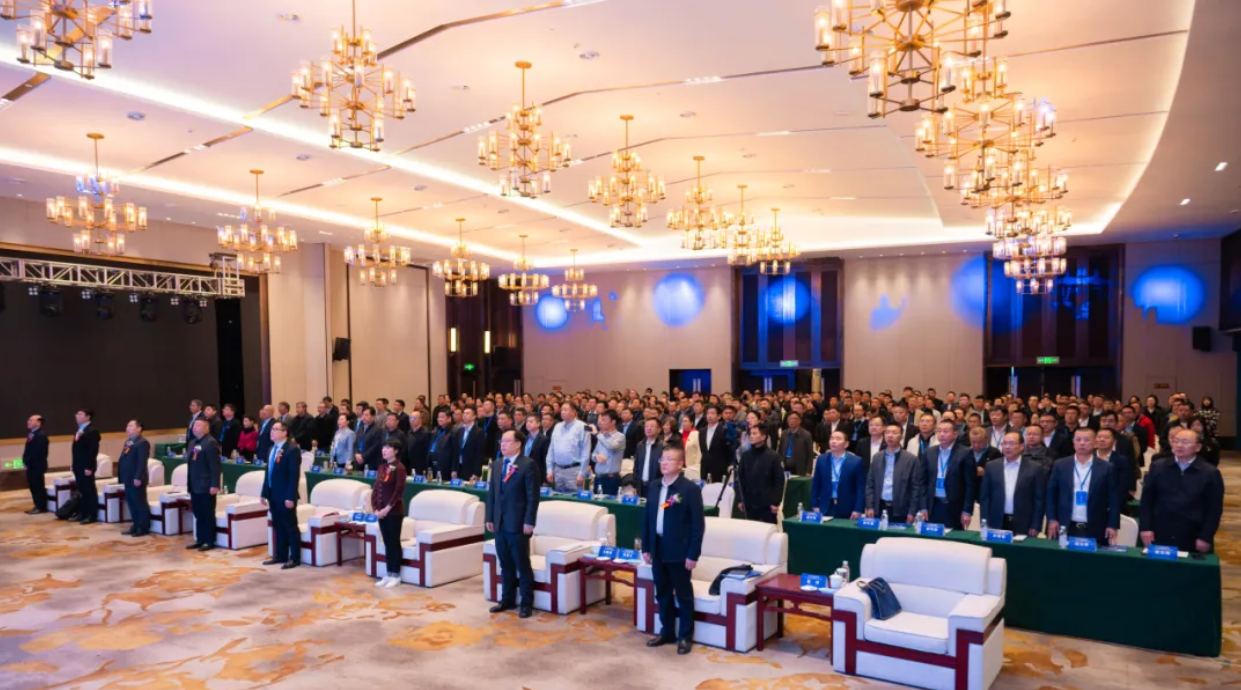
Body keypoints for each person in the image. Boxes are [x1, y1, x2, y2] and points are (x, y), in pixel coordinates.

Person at [641, 446, 705, 656]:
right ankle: (667, 631)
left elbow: (698, 525)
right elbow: (648, 518)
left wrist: (693, 554)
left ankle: (685, 636)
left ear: (680, 464)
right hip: (658, 547)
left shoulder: (689, 489)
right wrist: (646, 547)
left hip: (679, 550)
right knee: (662, 592)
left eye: (669, 459)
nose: (664, 463)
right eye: (662, 459)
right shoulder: (654, 486)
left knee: (683, 595)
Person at [1140, 428, 1224, 553]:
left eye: (1185, 442)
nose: (1179, 445)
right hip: (1160, 531)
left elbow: (1214, 509)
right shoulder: (1158, 467)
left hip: (1192, 534)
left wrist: (1205, 536)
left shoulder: (1210, 473)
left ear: (1198, 447)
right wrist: (1145, 528)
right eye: (1176, 441)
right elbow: (1146, 500)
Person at [487, 430, 540, 618]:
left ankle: (526, 604)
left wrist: (529, 521)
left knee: (522, 564)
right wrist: (490, 517)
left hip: (518, 523)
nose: (503, 444)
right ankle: (507, 599)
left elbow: (533, 496)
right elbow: (492, 494)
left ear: (518, 444)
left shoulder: (528, 465)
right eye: (501, 441)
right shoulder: (497, 464)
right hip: (499, 522)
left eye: (507, 441)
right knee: (505, 564)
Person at [1046, 428, 1118, 544]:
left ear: (1095, 443)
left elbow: (1114, 499)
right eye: (1078, 439)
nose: (1082, 443)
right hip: (1064, 524)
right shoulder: (1060, 465)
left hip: (1096, 526)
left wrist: (1112, 525)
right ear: (1073, 442)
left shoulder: (1107, 468)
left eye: (1087, 440)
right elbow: (1051, 494)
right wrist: (1052, 519)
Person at [979, 432, 1045, 537]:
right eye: (1005, 443)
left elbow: (1039, 499)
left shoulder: (1035, 468)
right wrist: (984, 522)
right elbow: (985, 497)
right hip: (996, 521)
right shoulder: (991, 466)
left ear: (1022, 446)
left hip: (1024, 523)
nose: (1007, 447)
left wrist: (1036, 525)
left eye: (1012, 443)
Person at [261, 419, 303, 568]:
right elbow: (268, 473)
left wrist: (290, 496)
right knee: (278, 526)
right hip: (273, 493)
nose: (272, 432)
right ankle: (280, 555)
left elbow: (294, 476)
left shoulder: (292, 449)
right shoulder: (271, 449)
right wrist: (264, 493)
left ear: (284, 432)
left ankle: (294, 558)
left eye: (276, 429)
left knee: (290, 526)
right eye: (272, 429)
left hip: (286, 495)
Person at [917, 420, 975, 529]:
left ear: (955, 434)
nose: (942, 434)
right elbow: (922, 482)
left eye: (946, 431)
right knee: (931, 537)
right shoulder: (928, 453)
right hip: (933, 505)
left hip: (954, 507)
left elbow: (970, 485)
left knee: (952, 538)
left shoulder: (965, 453)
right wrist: (923, 507)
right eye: (939, 431)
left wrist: (967, 510)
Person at [864, 425, 922, 524]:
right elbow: (870, 484)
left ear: (901, 436)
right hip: (879, 507)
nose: (890, 435)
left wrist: (912, 512)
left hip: (901, 510)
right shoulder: (877, 457)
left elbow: (915, 488)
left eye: (894, 433)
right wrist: (869, 506)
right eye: (887, 433)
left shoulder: (911, 459)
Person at [371, 440, 408, 587]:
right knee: (386, 542)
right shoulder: (382, 467)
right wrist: (375, 508)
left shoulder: (400, 468)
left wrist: (386, 509)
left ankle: (396, 574)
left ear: (396, 450)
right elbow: (376, 489)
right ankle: (388, 573)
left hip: (393, 512)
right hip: (381, 511)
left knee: (393, 542)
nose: (384, 450)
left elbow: (398, 492)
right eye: (383, 447)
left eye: (388, 448)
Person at [810, 430, 865, 519]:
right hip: (825, 507)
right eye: (832, 438)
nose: (833, 441)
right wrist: (814, 505)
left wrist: (858, 509)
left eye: (838, 439)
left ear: (846, 444)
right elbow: (815, 484)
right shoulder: (821, 459)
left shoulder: (856, 461)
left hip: (848, 508)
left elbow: (860, 488)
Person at [185, 418, 222, 550]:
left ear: (207, 428)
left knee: (207, 513)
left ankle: (209, 540)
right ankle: (200, 539)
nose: (195, 427)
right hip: (194, 484)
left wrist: (214, 484)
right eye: (194, 425)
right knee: (198, 513)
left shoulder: (210, 443)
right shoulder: (192, 442)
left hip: (206, 484)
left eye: (198, 425)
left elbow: (215, 466)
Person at [736, 425, 784, 523]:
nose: (751, 436)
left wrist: (776, 502)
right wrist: (740, 499)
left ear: (763, 437)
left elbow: (779, 481)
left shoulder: (773, 456)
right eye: (751, 434)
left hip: (767, 505)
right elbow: (739, 479)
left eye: (755, 433)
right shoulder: (746, 456)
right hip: (749, 503)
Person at [117, 419, 151, 537]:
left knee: (139, 503)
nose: (128, 428)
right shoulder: (129, 441)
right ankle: (135, 525)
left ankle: (143, 527)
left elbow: (142, 462)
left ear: (139, 428)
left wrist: (138, 477)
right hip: (128, 478)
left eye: (131, 426)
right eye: (127, 426)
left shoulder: (142, 442)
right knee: (131, 503)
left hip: (136, 478)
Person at [546, 402, 591, 491]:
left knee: (574, 498)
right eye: (562, 410)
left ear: (574, 412)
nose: (562, 412)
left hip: (574, 471)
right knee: (558, 498)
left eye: (565, 410)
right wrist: (549, 470)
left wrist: (582, 473)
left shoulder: (584, 426)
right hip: (557, 470)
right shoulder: (557, 426)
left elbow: (586, 451)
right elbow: (551, 449)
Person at [70, 407, 101, 524]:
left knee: (89, 491)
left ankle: (91, 515)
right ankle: (82, 513)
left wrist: (89, 467)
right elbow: (77, 450)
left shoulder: (92, 431)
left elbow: (92, 451)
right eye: (77, 414)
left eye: (80, 414)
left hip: (86, 467)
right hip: (78, 466)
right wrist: (73, 464)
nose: (77, 416)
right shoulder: (80, 430)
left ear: (88, 417)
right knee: (81, 491)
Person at [592, 410, 626, 495]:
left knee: (609, 502)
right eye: (601, 420)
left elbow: (611, 447)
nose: (601, 422)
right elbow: (593, 454)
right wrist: (596, 457)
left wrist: (597, 434)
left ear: (613, 422)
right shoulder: (601, 436)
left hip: (611, 479)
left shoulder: (620, 437)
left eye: (604, 420)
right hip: (598, 477)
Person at [698, 405, 733, 483]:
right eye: (708, 413)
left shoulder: (724, 430)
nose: (710, 415)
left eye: (713, 413)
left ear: (719, 416)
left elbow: (728, 452)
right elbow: (703, 450)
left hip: (720, 468)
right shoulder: (702, 431)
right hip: (705, 467)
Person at [23, 414, 49, 515]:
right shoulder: (32, 434)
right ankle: (37, 505)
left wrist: (28, 462)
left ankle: (41, 507)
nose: (28, 422)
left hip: (37, 466)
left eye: (31, 420)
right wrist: (25, 462)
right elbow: (28, 450)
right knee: (33, 486)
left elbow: (38, 452)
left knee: (38, 486)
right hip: (31, 466)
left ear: (38, 423)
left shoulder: (41, 435)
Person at [777, 411, 815, 477]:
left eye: (794, 419)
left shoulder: (806, 435)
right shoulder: (784, 433)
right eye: (790, 419)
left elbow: (810, 455)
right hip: (785, 466)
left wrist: (808, 471)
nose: (791, 421)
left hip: (799, 468)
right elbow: (780, 451)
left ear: (800, 421)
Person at [632, 418, 664, 499]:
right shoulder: (640, 445)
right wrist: (635, 485)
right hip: (641, 486)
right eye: (646, 426)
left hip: (656, 487)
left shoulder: (664, 447)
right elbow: (636, 467)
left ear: (659, 429)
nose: (648, 428)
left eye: (652, 426)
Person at [452, 406, 485, 481]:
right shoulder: (460, 430)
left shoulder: (479, 432)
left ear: (474, 416)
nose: (464, 415)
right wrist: (454, 469)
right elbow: (456, 451)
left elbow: (479, 454)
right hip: (459, 467)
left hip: (471, 469)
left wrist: (476, 473)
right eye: (464, 413)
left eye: (467, 413)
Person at [428, 409, 456, 481]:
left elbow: (455, 453)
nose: (439, 419)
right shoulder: (436, 430)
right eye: (438, 417)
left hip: (446, 467)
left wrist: (454, 470)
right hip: (433, 465)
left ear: (449, 419)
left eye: (442, 417)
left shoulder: (453, 432)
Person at [353, 407, 383, 471]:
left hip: (371, 462)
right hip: (358, 460)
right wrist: (356, 454)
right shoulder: (360, 428)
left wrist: (363, 456)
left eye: (366, 415)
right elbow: (355, 443)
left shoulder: (378, 429)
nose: (364, 417)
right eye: (363, 415)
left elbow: (375, 446)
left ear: (373, 417)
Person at [521, 414, 550, 482]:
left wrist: (545, 479)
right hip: (525, 472)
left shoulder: (543, 439)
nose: (528, 423)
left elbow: (545, 461)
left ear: (538, 423)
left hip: (537, 474)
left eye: (531, 421)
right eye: (527, 421)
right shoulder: (526, 438)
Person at [405, 411, 432, 476]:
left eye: (414, 418)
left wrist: (425, 468)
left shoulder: (426, 433)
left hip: (421, 466)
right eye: (410, 418)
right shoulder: (409, 433)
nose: (412, 420)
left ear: (420, 420)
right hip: (410, 465)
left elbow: (427, 452)